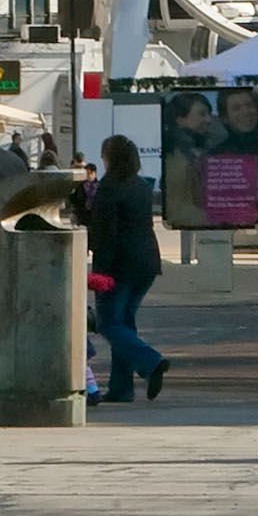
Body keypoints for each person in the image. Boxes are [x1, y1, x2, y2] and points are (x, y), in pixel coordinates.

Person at [89, 132, 170, 404]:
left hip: (119, 266)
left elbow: (105, 235)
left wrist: (100, 269)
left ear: (109, 158)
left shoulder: (109, 188)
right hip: (146, 262)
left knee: (108, 324)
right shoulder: (139, 185)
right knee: (124, 323)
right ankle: (121, 387)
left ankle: (150, 362)